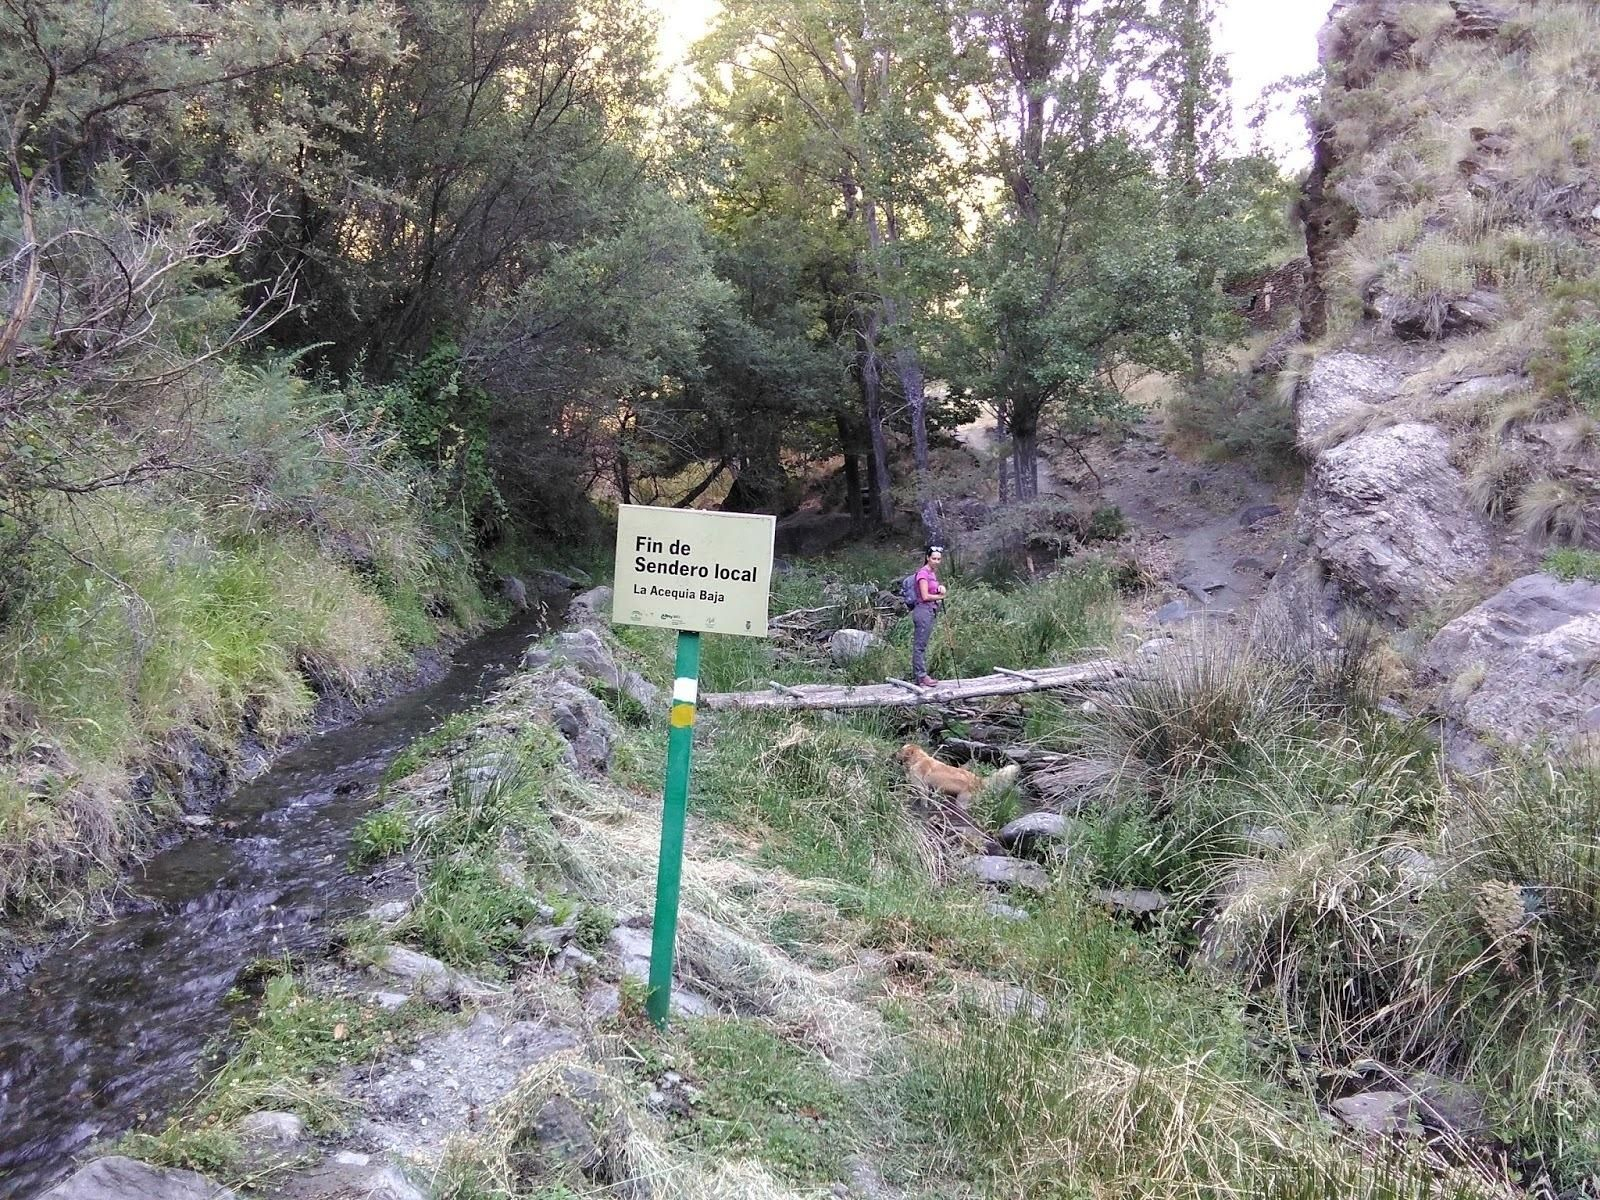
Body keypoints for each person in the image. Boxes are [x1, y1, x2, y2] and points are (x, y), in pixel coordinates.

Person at [911, 545, 947, 687]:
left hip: (930, 610)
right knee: (919, 646)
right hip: (923, 610)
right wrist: (941, 596)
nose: (936, 561)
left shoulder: (932, 573)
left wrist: (939, 588)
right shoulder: (923, 573)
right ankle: (921, 676)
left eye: (939, 559)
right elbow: (925, 596)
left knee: (922, 644)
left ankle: (920, 675)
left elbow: (931, 591)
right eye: (934, 558)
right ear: (927, 558)